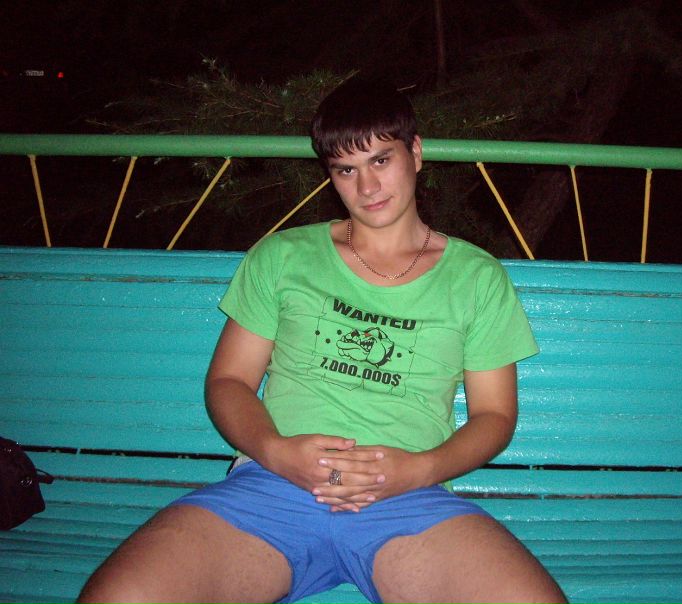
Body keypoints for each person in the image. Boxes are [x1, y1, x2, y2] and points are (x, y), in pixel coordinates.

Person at [78, 76, 567, 604]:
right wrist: (275, 452)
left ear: (416, 153)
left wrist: (418, 469)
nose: (367, 187)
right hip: (272, 487)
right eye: (346, 169)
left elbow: (495, 416)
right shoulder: (283, 256)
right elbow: (228, 381)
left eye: (381, 160)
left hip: (408, 500)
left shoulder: (476, 277)